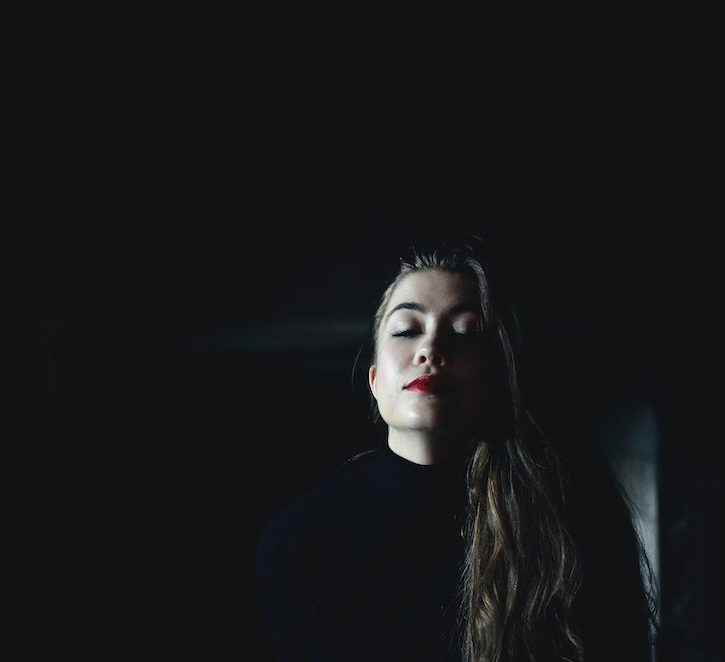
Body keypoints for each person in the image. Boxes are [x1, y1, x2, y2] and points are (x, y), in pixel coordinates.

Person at [256, 233, 658, 662]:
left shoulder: (572, 523)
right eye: (407, 330)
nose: (430, 348)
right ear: (375, 381)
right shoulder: (298, 540)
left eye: (466, 333)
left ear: (498, 376)